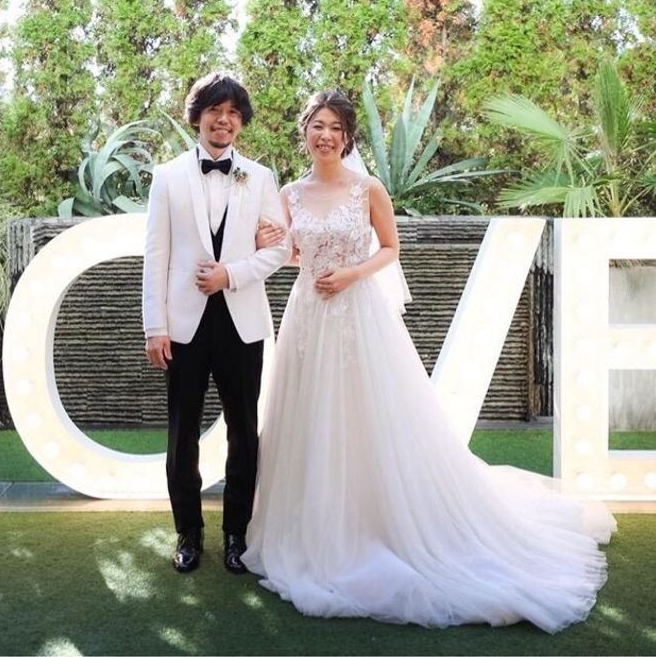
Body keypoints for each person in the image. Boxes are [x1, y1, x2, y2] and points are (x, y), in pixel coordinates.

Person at [241, 90, 616, 631]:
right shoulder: (289, 193)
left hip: (358, 312)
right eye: (317, 125)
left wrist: (350, 274)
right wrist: (276, 244)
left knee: (369, 416)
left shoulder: (368, 188)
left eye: (336, 127)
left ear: (347, 137)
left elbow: (390, 249)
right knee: (310, 415)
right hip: (307, 316)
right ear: (304, 132)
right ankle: (312, 529)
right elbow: (288, 253)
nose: (325, 135)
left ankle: (377, 522)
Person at [142, 72, 291, 575]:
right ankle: (188, 533)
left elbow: (280, 249)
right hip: (182, 326)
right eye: (214, 111)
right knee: (181, 433)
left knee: (244, 432)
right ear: (197, 118)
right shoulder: (166, 177)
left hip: (242, 323)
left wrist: (232, 274)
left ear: (240, 122)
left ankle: (236, 535)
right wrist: (155, 326)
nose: (223, 120)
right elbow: (155, 255)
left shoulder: (260, 177)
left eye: (231, 113)